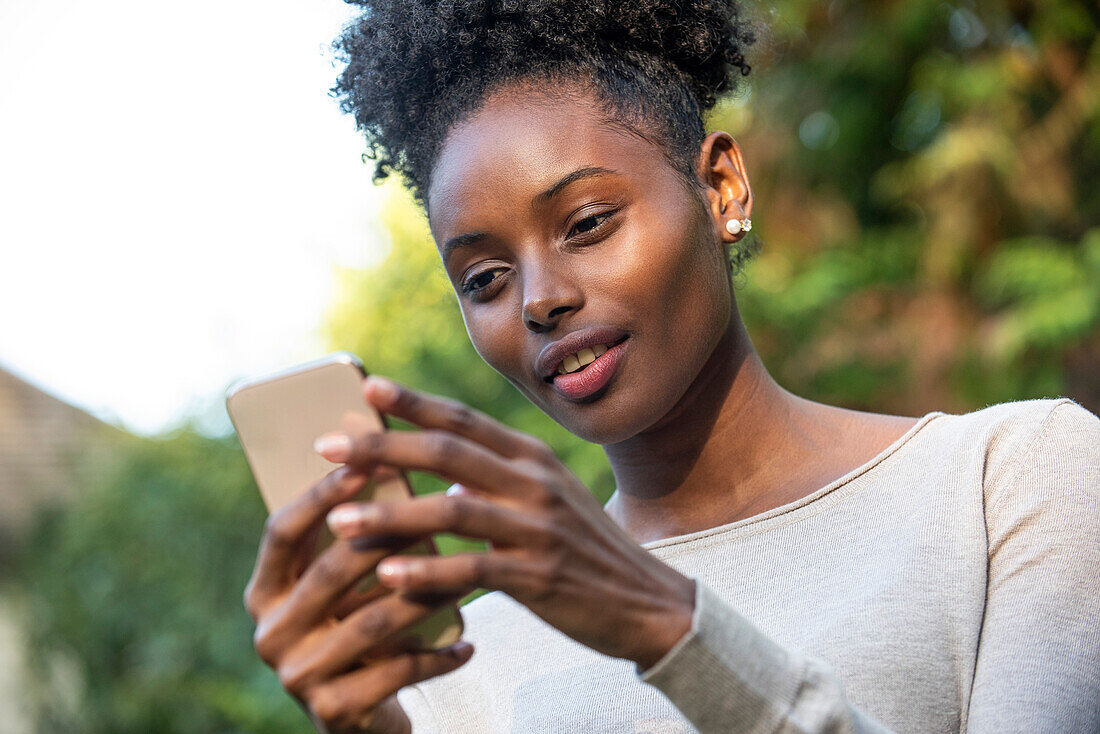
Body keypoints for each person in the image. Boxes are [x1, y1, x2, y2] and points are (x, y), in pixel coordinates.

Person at [242, 1, 1100, 732]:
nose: (540, 299)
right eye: (486, 278)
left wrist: (667, 627)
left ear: (722, 188)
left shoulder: (1010, 478)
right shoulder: (457, 669)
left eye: (586, 223)